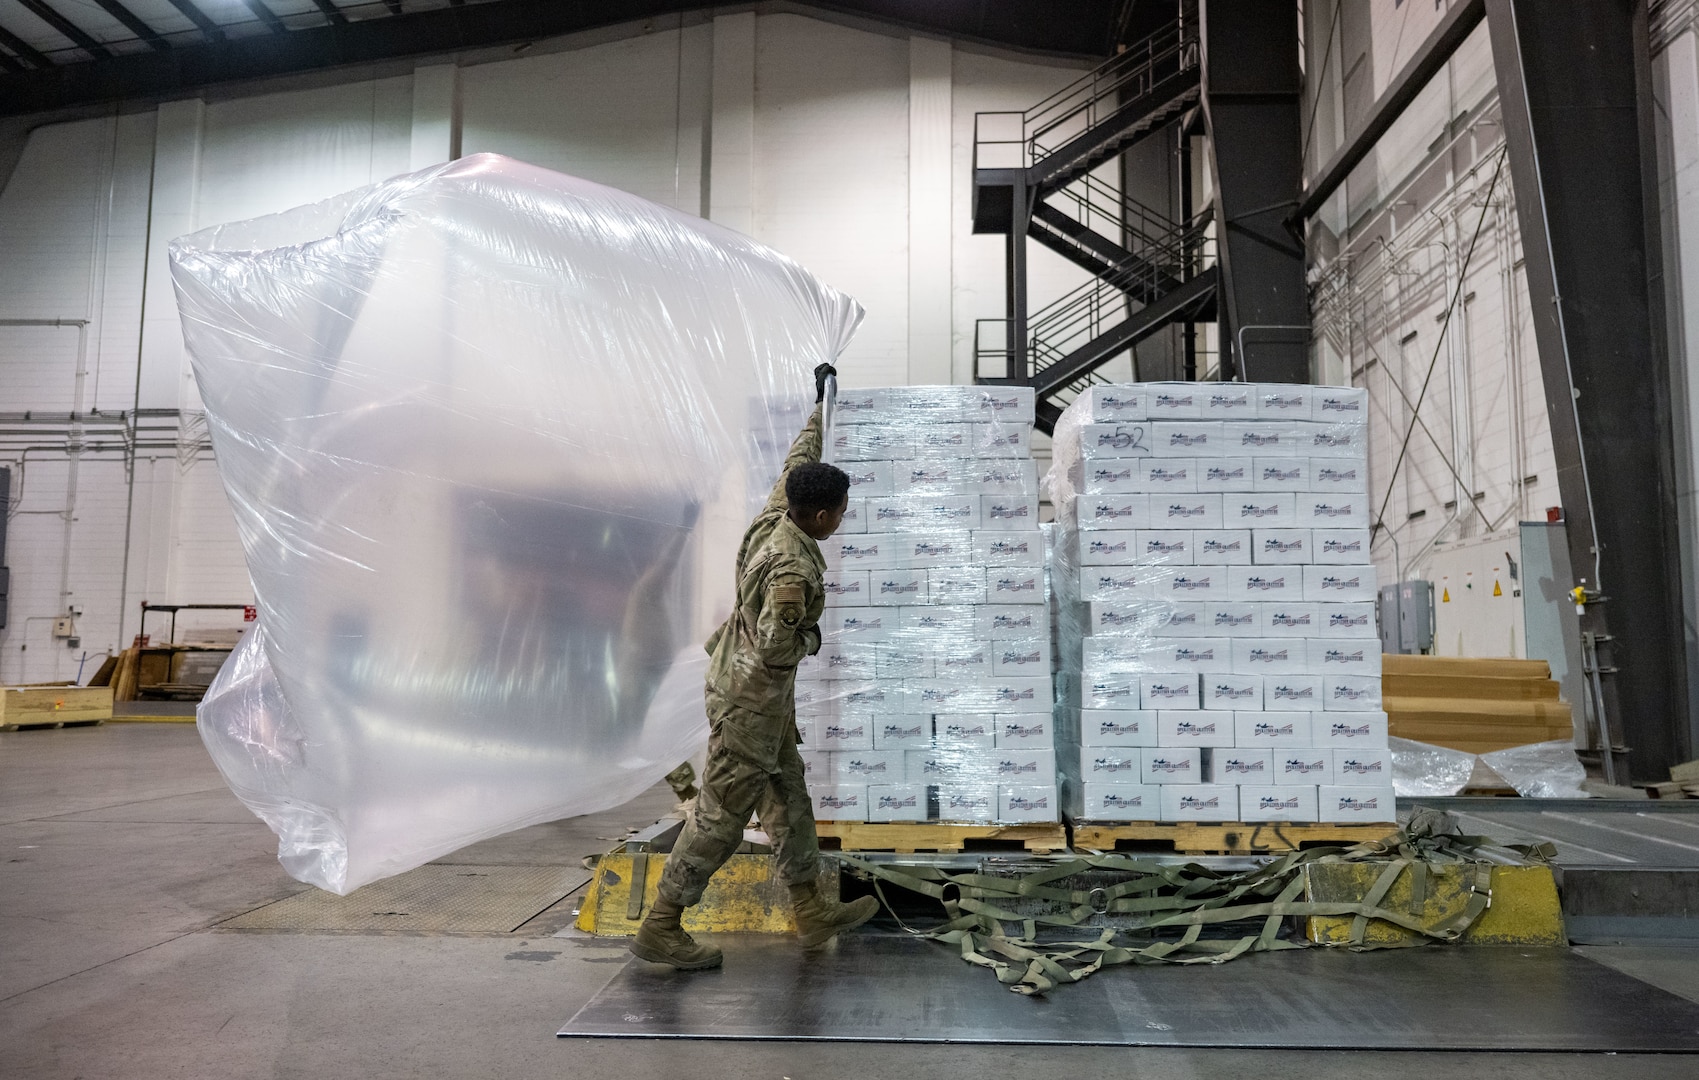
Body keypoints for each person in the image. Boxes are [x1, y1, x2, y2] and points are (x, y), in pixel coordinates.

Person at [631, 363, 879, 970]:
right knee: (719, 818)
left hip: (757, 700)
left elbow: (800, 457)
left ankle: (811, 912)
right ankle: (662, 924)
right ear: (819, 517)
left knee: (789, 801)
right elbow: (775, 647)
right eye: (840, 512)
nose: (841, 519)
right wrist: (812, 638)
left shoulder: (776, 513)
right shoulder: (792, 567)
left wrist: (821, 404)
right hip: (750, 702)